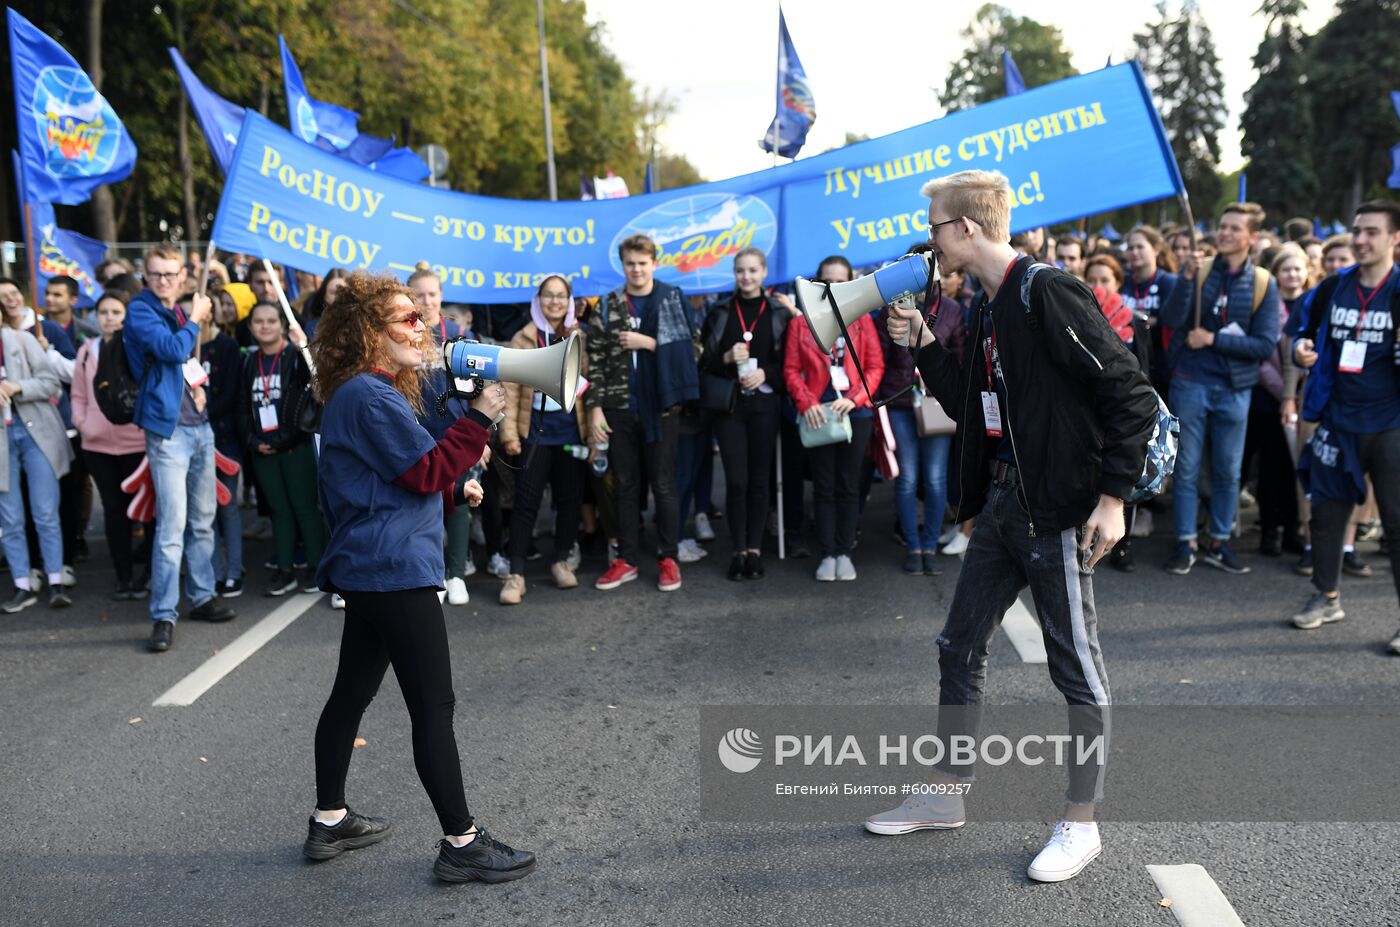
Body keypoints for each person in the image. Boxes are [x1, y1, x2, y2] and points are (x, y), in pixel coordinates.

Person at [867, 169, 1157, 884]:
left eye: (935, 227)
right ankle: (944, 792)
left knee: (1077, 670)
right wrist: (926, 342)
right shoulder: (995, 306)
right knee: (958, 642)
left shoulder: (1046, 291)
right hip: (1003, 507)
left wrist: (1114, 498)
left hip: (1057, 511)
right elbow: (975, 408)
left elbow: (1131, 392)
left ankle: (1080, 824)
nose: (928, 241)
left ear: (965, 229)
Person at [306, 271, 535, 883]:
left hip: (372, 566)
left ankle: (329, 820)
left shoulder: (362, 392)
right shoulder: (372, 397)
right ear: (368, 334)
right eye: (406, 319)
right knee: (433, 707)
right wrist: (481, 420)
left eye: (421, 316)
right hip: (393, 571)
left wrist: (460, 467)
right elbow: (424, 471)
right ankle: (461, 842)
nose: (422, 327)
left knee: (351, 695)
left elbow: (401, 476)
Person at [1288, 201, 1400, 653]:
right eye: (1357, 230)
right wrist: (1300, 350)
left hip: (1391, 423)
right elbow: (1300, 331)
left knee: (1396, 523)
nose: (1360, 239)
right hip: (1337, 419)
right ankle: (1326, 597)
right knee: (1327, 515)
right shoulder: (1335, 286)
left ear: (1395, 238)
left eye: (1372, 231)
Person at [1159, 202, 1281, 576]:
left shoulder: (1264, 282)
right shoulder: (1201, 270)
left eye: (1233, 228)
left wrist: (1212, 339)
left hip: (1234, 389)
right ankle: (1185, 542)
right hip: (1191, 382)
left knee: (1229, 471)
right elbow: (1172, 319)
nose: (1224, 233)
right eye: (1222, 226)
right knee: (1188, 467)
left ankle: (1220, 540)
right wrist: (1184, 280)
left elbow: (1264, 345)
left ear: (1252, 237)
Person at [125, 245, 236, 652]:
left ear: (182, 276)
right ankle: (164, 614)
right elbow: (173, 350)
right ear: (146, 276)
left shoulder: (176, 311)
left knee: (203, 520)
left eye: (171, 274)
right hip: (168, 432)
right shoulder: (140, 310)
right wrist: (195, 318)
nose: (164, 281)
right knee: (172, 527)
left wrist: (198, 388)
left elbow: (183, 364)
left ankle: (203, 595)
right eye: (156, 274)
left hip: (199, 428)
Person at [585, 234, 700, 592]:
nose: (636, 269)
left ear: (654, 263)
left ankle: (668, 558)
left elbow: (694, 350)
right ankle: (628, 559)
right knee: (625, 487)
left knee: (664, 484)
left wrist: (649, 344)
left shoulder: (671, 297)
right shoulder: (608, 304)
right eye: (630, 263)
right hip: (619, 407)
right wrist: (595, 409)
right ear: (623, 265)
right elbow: (597, 360)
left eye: (642, 262)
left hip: (662, 406)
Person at [783, 272, 884, 582]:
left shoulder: (862, 320)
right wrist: (807, 402)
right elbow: (791, 370)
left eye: (840, 281)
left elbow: (875, 366)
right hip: (818, 415)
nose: (832, 286)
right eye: (826, 281)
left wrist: (855, 399)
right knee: (824, 486)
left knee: (849, 484)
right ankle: (827, 552)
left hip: (854, 415)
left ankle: (844, 552)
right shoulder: (799, 324)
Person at [700, 248, 792, 580]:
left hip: (765, 406)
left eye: (753, 270)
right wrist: (725, 357)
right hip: (731, 407)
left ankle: (755, 549)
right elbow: (704, 360)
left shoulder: (779, 312)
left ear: (764, 272)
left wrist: (766, 373)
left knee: (758, 480)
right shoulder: (721, 310)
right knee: (736, 481)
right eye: (740, 271)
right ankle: (738, 549)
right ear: (734, 274)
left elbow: (791, 365)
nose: (746, 277)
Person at [874, 244, 966, 575]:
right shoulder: (891, 309)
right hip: (899, 401)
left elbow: (959, 355)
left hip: (937, 402)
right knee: (908, 478)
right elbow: (881, 358)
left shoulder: (953, 310)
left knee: (936, 478)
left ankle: (930, 544)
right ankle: (913, 546)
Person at [497, 276, 589, 604]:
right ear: (538, 300)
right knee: (525, 503)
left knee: (569, 500)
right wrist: (508, 435)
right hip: (533, 433)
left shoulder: (578, 336)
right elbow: (507, 389)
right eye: (548, 296)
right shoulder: (523, 339)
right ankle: (516, 573)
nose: (554, 302)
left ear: (569, 300)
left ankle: (561, 560)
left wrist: (591, 431)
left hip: (569, 433)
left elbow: (587, 388)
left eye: (561, 296)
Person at [71, 292, 152, 599]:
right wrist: (82, 423)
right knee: (114, 510)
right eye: (103, 311)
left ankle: (147, 571)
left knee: (144, 510)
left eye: (116, 311)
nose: (109, 317)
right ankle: (123, 575)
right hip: (98, 446)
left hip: (136, 442)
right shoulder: (86, 351)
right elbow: (78, 395)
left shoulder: (135, 349)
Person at [237, 302, 320, 595]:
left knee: (305, 508)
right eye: (258, 321)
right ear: (250, 327)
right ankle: (285, 570)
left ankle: (317, 566)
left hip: (295, 447)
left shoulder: (295, 357)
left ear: (282, 324)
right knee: (278, 511)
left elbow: (309, 397)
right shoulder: (248, 362)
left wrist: (303, 348)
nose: (264, 326)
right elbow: (243, 408)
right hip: (263, 450)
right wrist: (253, 441)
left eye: (271, 320)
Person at [0, 292, 73, 611]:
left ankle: (55, 580)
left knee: (45, 511)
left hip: (35, 432)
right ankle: (21, 584)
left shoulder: (21, 340)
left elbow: (51, 384)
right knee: (10, 517)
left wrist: (18, 387)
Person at [409, 266, 474, 604]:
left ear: (441, 296)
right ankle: (432, 576)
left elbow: (480, 389)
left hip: (455, 435)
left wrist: (482, 435)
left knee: (459, 503)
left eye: (432, 293)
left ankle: (457, 573)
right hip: (415, 438)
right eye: (419, 294)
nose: (427, 300)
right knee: (425, 507)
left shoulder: (460, 336)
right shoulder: (403, 336)